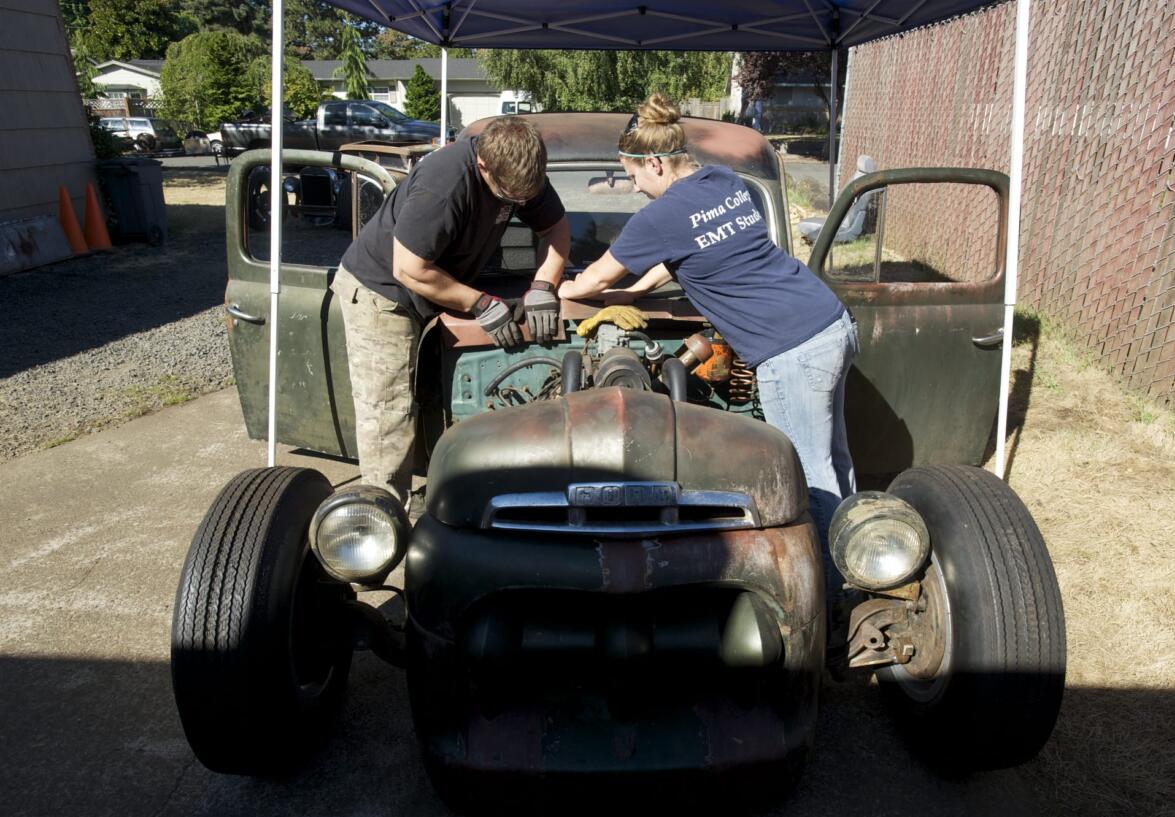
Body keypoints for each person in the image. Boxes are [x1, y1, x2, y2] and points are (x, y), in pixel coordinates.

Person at [559, 94, 858, 549]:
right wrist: (637, 292)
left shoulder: (659, 216)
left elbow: (596, 276)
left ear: (655, 164)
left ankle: (833, 587)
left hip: (789, 348)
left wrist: (558, 290)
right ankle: (860, 555)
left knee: (805, 474)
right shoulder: (723, 180)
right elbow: (697, 247)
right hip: (828, 320)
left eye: (633, 175)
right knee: (835, 460)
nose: (635, 186)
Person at [331, 116, 571, 505]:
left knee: (432, 392)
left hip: (436, 282)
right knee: (388, 412)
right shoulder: (444, 185)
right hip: (384, 293)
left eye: (525, 198)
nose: (519, 205)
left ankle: (442, 480)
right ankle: (382, 519)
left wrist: (544, 285)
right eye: (509, 198)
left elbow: (556, 228)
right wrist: (478, 303)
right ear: (483, 166)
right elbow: (408, 268)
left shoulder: (522, 172)